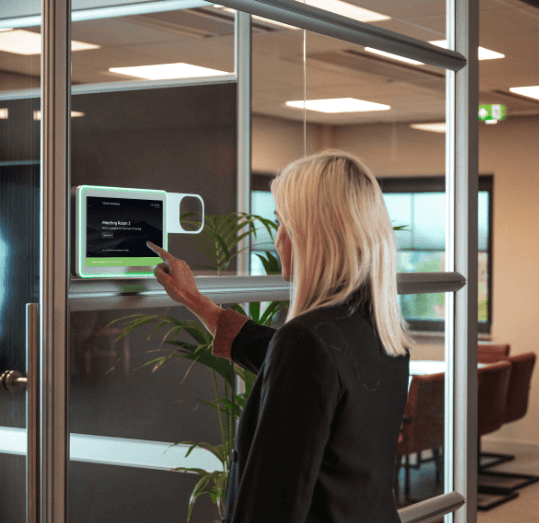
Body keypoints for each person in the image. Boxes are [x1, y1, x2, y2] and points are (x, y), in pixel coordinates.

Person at [147, 150, 413, 523]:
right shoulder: (379, 331)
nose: (278, 239)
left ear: (315, 231)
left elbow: (271, 507)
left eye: (282, 223)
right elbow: (296, 364)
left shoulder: (307, 342)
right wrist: (196, 302)